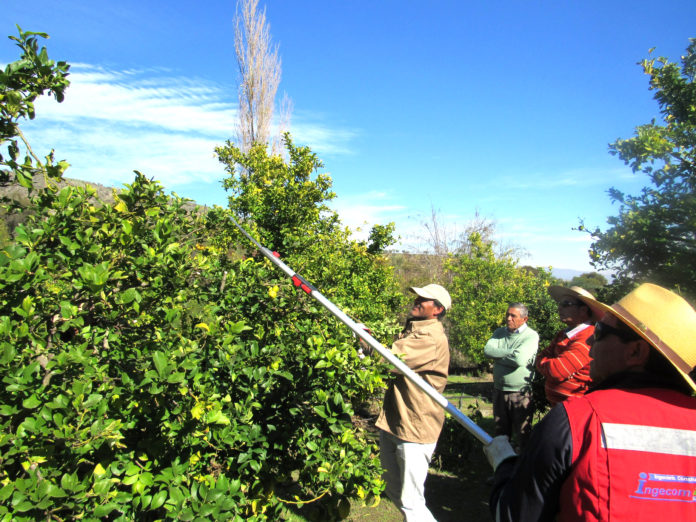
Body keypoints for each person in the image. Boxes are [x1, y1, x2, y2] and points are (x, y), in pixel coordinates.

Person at [484, 283, 696, 521]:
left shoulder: (578, 420)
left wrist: (504, 464)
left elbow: (514, 515)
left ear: (636, 352)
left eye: (600, 332)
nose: (591, 344)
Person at [370, 283, 451, 522]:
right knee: (394, 489)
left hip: (415, 428)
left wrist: (367, 346)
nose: (416, 301)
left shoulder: (430, 338)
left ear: (437, 309)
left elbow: (390, 360)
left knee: (411, 501)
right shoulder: (414, 330)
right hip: (395, 422)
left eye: (423, 299)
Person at [535, 286, 604, 406]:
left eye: (566, 304)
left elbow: (557, 371)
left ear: (583, 310)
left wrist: (548, 364)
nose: (560, 307)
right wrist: (549, 364)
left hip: (576, 410)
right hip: (560, 407)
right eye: (560, 303)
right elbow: (540, 357)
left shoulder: (587, 337)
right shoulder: (563, 334)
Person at [484, 303, 539, 451]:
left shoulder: (531, 336)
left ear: (524, 319)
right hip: (499, 391)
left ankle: (524, 468)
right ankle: (503, 467)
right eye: (507, 314)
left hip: (520, 393)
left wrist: (499, 355)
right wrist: (511, 353)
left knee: (523, 435)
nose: (508, 318)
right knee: (500, 435)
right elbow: (488, 350)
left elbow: (519, 360)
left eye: (513, 316)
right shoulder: (499, 332)